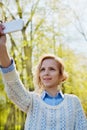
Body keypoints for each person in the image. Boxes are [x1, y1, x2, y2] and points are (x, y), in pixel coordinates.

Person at [0, 24, 87, 130]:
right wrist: (2, 46)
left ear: (61, 76)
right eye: (42, 69)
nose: (46, 73)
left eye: (52, 69)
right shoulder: (32, 101)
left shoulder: (73, 102)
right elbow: (13, 83)